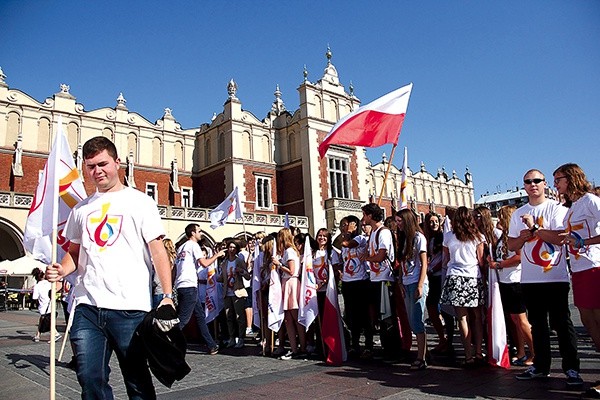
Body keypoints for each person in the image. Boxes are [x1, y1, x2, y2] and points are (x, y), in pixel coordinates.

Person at [46, 136, 175, 399]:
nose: (97, 171)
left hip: (130, 308)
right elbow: (74, 253)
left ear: (117, 163)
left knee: (137, 381)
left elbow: (158, 251)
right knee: (89, 378)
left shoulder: (140, 202)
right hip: (87, 307)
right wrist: (62, 270)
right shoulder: (80, 209)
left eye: (103, 164)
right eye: (91, 166)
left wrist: (167, 296)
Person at [508, 168, 582, 387]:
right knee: (537, 324)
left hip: (555, 276)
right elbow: (512, 245)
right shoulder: (517, 213)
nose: (533, 184)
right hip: (530, 279)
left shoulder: (557, 209)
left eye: (537, 181)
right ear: (524, 186)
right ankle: (541, 366)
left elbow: (561, 238)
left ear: (544, 184)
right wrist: (522, 237)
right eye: (528, 181)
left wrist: (535, 229)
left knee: (561, 323)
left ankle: (571, 368)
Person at [552, 164, 600, 396]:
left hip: (594, 266)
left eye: (558, 179)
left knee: (598, 321)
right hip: (579, 269)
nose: (555, 185)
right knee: (589, 323)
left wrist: (584, 243)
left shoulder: (591, 200)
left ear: (571, 179)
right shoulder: (571, 208)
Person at [440, 206, 485, 367]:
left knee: (462, 319)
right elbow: (481, 261)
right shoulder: (478, 237)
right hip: (473, 277)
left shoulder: (448, 236)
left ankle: (468, 356)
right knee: (477, 317)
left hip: (455, 277)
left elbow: (445, 259)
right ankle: (479, 352)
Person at [490, 205, 534, 366]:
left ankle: (534, 352)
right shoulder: (504, 237)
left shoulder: (514, 237)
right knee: (514, 318)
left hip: (515, 280)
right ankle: (521, 350)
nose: (498, 219)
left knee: (522, 319)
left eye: (501, 216)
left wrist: (499, 264)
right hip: (505, 281)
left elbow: (519, 257)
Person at [359, 203, 398, 361]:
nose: (363, 218)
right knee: (378, 315)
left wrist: (367, 258)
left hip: (384, 278)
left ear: (370, 215)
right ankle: (385, 347)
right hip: (375, 278)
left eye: (364, 215)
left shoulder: (383, 232)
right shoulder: (373, 232)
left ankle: (392, 349)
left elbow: (381, 255)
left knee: (387, 315)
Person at [395, 209, 429, 370]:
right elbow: (401, 262)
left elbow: (424, 263)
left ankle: (421, 357)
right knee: (411, 320)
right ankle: (423, 353)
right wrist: (400, 281)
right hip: (406, 281)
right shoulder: (403, 239)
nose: (397, 224)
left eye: (400, 221)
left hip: (416, 281)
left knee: (417, 320)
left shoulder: (418, 238)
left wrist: (421, 284)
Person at [339, 215, 373, 359]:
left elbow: (347, 244)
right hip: (348, 282)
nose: (344, 227)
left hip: (360, 281)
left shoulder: (361, 239)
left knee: (364, 314)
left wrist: (347, 233)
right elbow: (338, 247)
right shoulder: (343, 240)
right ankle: (355, 344)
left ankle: (369, 345)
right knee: (351, 315)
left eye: (346, 224)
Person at [272, 227, 306, 360]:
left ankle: (301, 347)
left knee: (295, 317)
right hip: (287, 283)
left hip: (291, 283)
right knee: (288, 319)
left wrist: (279, 264)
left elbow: (292, 271)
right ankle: (294, 348)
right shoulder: (288, 251)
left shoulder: (290, 251)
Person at [422, 212, 449, 354]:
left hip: (439, 275)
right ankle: (442, 338)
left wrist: (432, 269)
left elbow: (444, 257)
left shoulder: (442, 236)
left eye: (436, 222)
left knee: (444, 309)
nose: (434, 224)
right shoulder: (427, 238)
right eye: (431, 222)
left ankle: (448, 339)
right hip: (431, 276)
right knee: (432, 308)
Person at [218, 239, 250, 349]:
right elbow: (222, 278)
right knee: (229, 316)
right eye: (230, 247)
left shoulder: (239, 261)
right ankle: (232, 338)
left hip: (238, 292)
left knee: (239, 316)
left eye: (233, 247)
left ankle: (241, 338)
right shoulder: (224, 263)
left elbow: (247, 275)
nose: (231, 249)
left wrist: (241, 271)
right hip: (227, 292)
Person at [174, 224, 206, 328]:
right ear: (193, 233)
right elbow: (204, 263)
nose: (201, 233)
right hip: (189, 285)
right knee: (183, 319)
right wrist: (217, 255)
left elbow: (175, 268)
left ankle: (210, 343)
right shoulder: (193, 245)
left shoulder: (181, 247)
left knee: (200, 315)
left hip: (181, 285)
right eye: (199, 231)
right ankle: (170, 339)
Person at [32, 267, 61, 343]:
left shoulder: (37, 286)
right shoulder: (49, 283)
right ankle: (37, 335)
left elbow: (35, 297)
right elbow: (55, 289)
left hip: (43, 306)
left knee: (46, 321)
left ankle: (55, 334)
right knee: (44, 321)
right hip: (51, 305)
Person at [153, 238, 177, 308]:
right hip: (169, 292)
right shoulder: (173, 261)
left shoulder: (162, 260)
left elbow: (156, 279)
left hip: (159, 290)